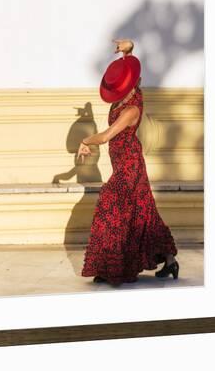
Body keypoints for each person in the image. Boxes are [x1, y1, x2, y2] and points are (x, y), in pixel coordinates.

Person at [78, 39, 179, 286]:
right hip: (124, 163)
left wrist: (85, 140)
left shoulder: (131, 110)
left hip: (130, 165)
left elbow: (105, 136)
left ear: (131, 86)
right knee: (144, 213)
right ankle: (170, 261)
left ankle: (116, 267)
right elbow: (130, 69)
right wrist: (128, 50)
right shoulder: (123, 99)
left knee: (110, 203)